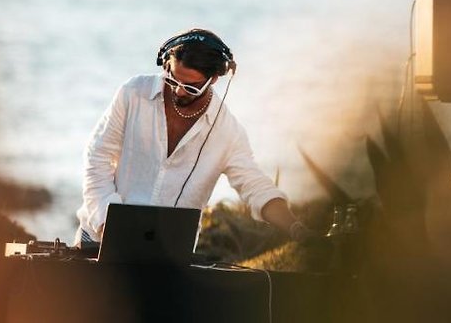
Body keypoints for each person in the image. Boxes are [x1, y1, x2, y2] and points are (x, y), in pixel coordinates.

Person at [74, 28, 313, 247]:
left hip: (166, 253)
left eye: (191, 87)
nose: (178, 90)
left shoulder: (227, 131)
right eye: (172, 78)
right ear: (165, 63)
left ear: (214, 79)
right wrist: (109, 226)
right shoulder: (133, 94)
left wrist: (297, 230)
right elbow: (97, 158)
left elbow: (256, 188)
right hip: (98, 238)